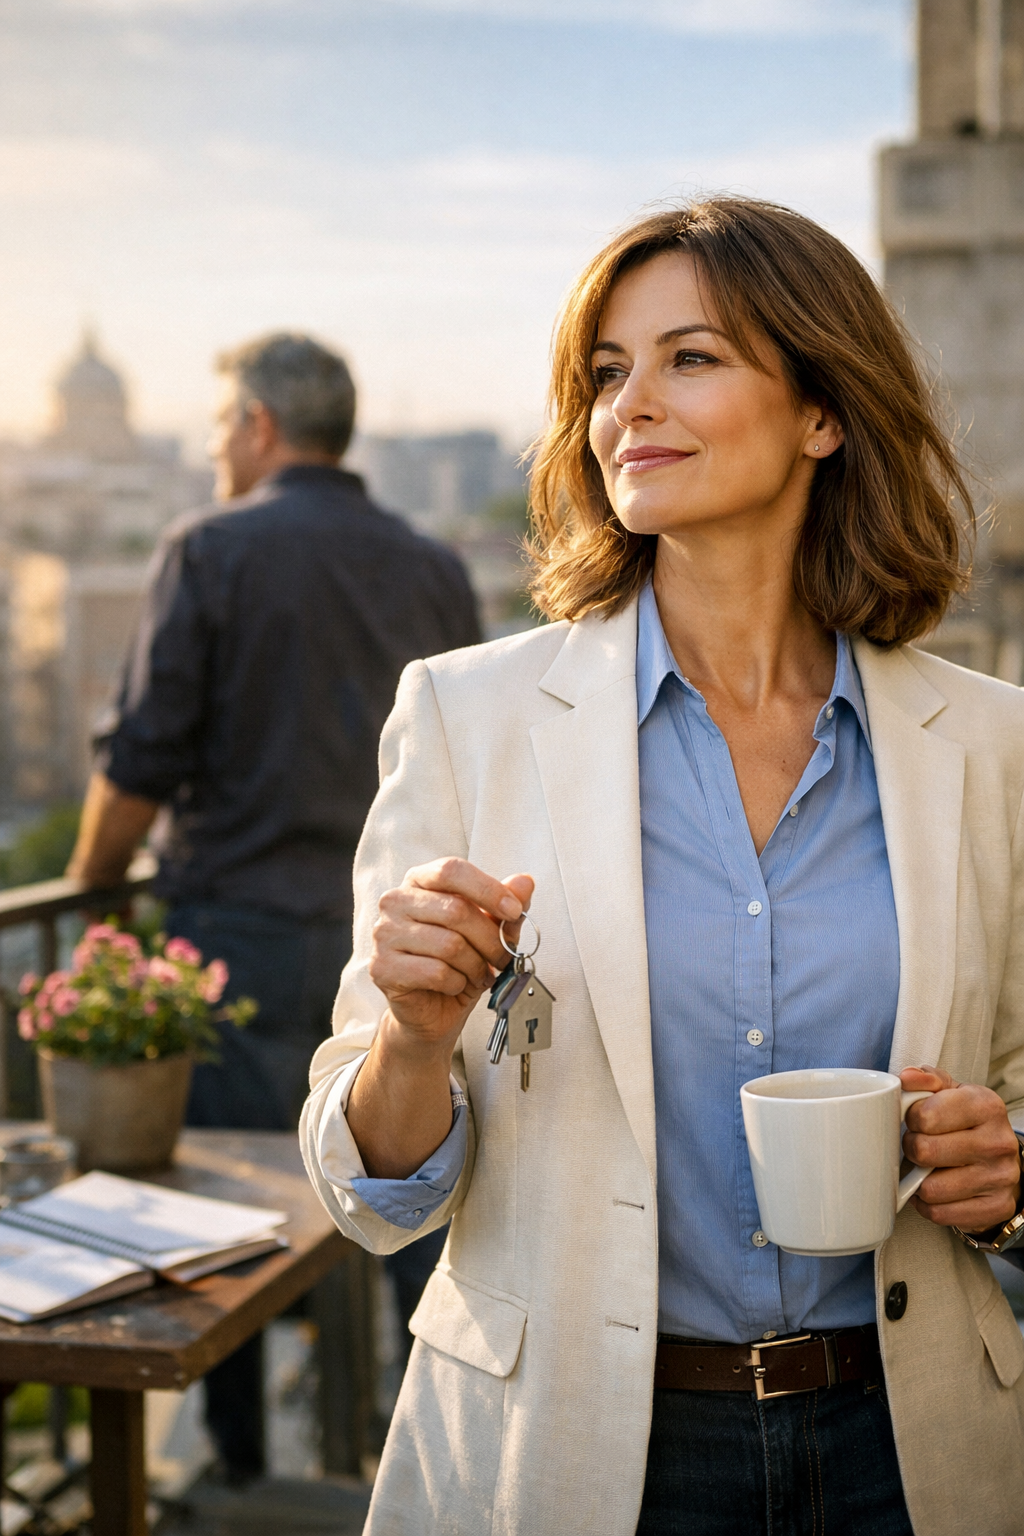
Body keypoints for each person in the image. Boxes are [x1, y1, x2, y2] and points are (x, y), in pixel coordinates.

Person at [300, 200, 1024, 1536]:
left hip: (911, 1450)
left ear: (823, 411)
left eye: (691, 358)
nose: (629, 404)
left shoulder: (991, 742)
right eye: (606, 372)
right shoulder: (468, 716)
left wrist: (1008, 1171)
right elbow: (368, 1194)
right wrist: (411, 1037)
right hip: (572, 1452)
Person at [67, 330, 480, 1481]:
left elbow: (141, 758)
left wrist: (96, 891)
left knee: (235, 1212)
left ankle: (241, 1467)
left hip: (237, 936)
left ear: (257, 426)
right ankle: (427, 1460)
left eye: (218, 428)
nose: (214, 451)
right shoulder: (431, 566)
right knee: (408, 1197)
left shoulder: (208, 548)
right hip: (400, 947)